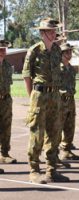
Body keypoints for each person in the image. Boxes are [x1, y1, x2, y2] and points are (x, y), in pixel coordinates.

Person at [22, 18, 69, 184]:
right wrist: (32, 97)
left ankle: (51, 170)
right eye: (49, 31)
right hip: (40, 95)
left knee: (55, 134)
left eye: (54, 30)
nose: (53, 33)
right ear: (42, 33)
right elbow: (27, 75)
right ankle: (34, 170)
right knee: (37, 134)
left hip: (55, 95)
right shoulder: (34, 50)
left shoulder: (57, 50)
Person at [58, 43, 79, 161]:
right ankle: (54, 153)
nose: (69, 54)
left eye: (70, 52)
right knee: (57, 126)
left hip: (70, 100)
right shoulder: (57, 68)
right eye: (67, 52)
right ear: (61, 54)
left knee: (70, 126)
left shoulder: (71, 69)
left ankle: (66, 150)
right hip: (60, 101)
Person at [0, 40, 17, 168]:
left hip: (6, 100)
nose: (2, 51)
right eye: (0, 49)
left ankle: (4, 154)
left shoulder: (7, 65)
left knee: (6, 127)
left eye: (4, 49)